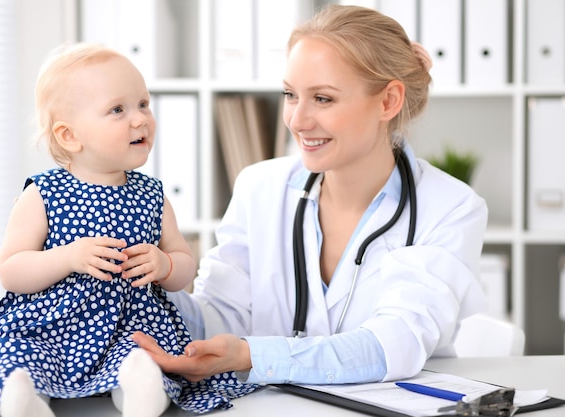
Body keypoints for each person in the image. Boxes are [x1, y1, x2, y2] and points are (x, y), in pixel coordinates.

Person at [134, 4, 488, 386]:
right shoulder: (259, 188)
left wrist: (255, 356)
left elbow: (393, 344)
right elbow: (220, 317)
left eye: (323, 98)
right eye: (290, 94)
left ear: (388, 101)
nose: (298, 121)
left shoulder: (451, 208)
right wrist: (146, 281)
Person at [0, 43, 256, 417]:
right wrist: (67, 257)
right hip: (49, 328)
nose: (140, 119)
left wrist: (166, 264)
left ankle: (140, 389)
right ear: (70, 136)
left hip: (130, 326)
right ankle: (23, 396)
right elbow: (11, 270)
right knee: (14, 350)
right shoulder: (43, 193)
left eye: (143, 103)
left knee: (144, 354)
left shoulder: (152, 194)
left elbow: (184, 266)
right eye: (118, 110)